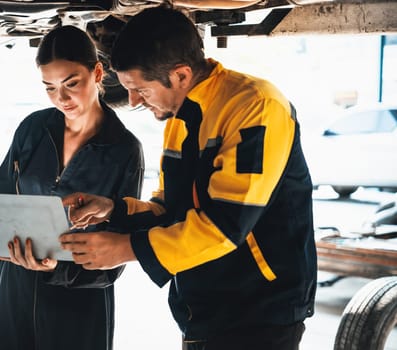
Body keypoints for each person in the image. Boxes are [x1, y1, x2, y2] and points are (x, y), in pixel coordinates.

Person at [60, 6, 317, 350]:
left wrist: (125, 248)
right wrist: (113, 210)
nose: (134, 101)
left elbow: (224, 226)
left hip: (259, 316)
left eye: (140, 89)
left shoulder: (256, 107)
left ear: (180, 75)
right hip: (205, 312)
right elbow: (171, 209)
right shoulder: (180, 118)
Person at [0, 25, 144, 350]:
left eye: (72, 84)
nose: (62, 98)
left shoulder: (124, 149)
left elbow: (120, 249)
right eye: (50, 88)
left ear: (97, 73)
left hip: (79, 305)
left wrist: (58, 266)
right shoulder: (32, 128)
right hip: (15, 290)